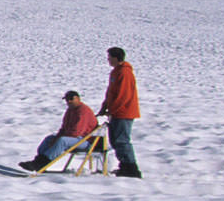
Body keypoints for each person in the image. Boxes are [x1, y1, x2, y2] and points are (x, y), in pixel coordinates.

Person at [19, 90, 98, 171]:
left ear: (78, 98)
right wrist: (56, 138)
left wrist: (59, 138)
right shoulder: (70, 111)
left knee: (62, 141)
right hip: (73, 138)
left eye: (71, 99)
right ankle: (37, 161)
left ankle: (42, 163)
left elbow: (77, 132)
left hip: (85, 140)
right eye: (67, 99)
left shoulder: (83, 111)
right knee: (49, 139)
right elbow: (64, 128)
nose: (69, 101)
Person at [98, 46, 142, 177]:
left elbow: (123, 95)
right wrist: (105, 106)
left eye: (110, 58)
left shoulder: (124, 73)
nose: (108, 60)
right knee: (115, 140)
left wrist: (113, 110)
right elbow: (111, 92)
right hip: (116, 112)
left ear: (117, 58)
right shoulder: (115, 72)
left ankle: (131, 168)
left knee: (122, 140)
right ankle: (124, 165)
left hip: (124, 112)